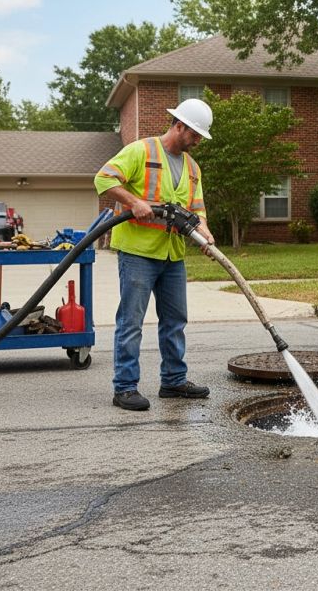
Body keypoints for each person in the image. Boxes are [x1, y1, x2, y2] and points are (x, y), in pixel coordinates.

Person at [94, 98, 216, 411]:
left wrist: (206, 234)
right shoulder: (141, 150)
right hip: (138, 252)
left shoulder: (192, 168)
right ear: (179, 125)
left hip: (173, 255)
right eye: (195, 134)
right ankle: (124, 388)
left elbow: (197, 209)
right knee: (132, 321)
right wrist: (133, 201)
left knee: (175, 320)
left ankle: (174, 381)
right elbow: (103, 179)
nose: (198, 140)